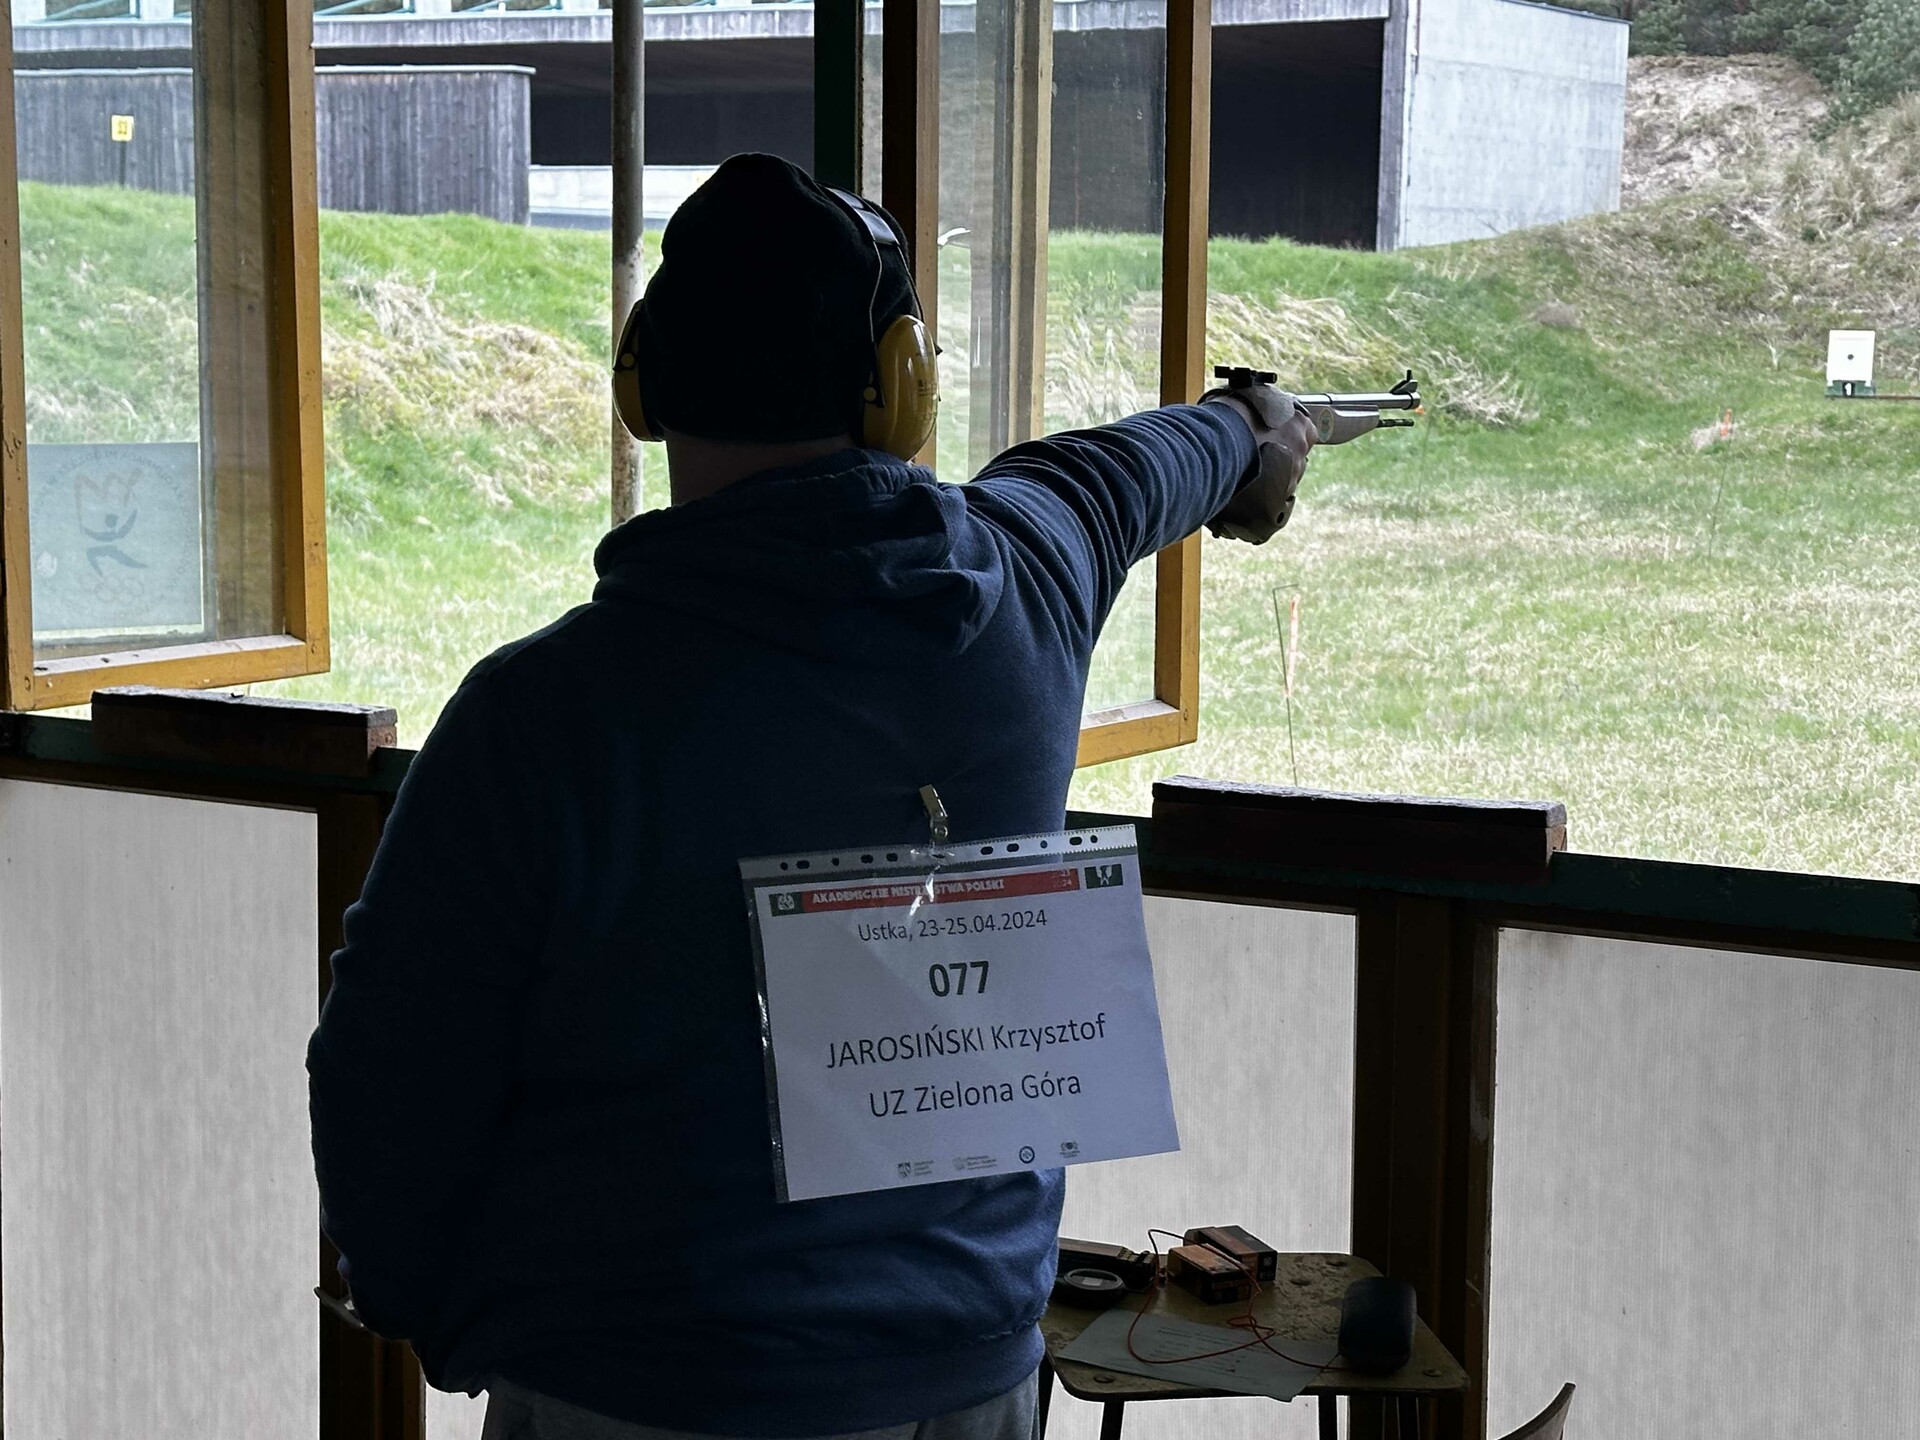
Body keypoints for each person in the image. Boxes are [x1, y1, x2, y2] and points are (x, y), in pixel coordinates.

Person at [307, 153, 1316, 1440]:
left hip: (636, 1392)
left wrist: (430, 1306)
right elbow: (1130, 466)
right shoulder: (1028, 579)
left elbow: (389, 1066)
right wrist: (1249, 432)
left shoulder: (541, 712)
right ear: (902, 380)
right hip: (970, 1382)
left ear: (642, 376)